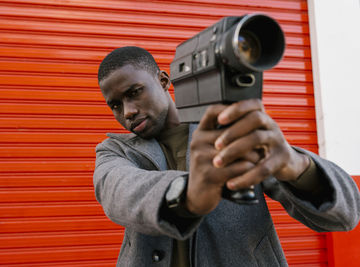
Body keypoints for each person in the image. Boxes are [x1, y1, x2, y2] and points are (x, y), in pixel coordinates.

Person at [93, 46, 360, 267]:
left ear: (163, 81)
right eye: (115, 105)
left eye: (134, 92)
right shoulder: (114, 150)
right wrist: (190, 193)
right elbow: (118, 191)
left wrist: (295, 166)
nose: (127, 111)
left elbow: (344, 217)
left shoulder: (229, 130)